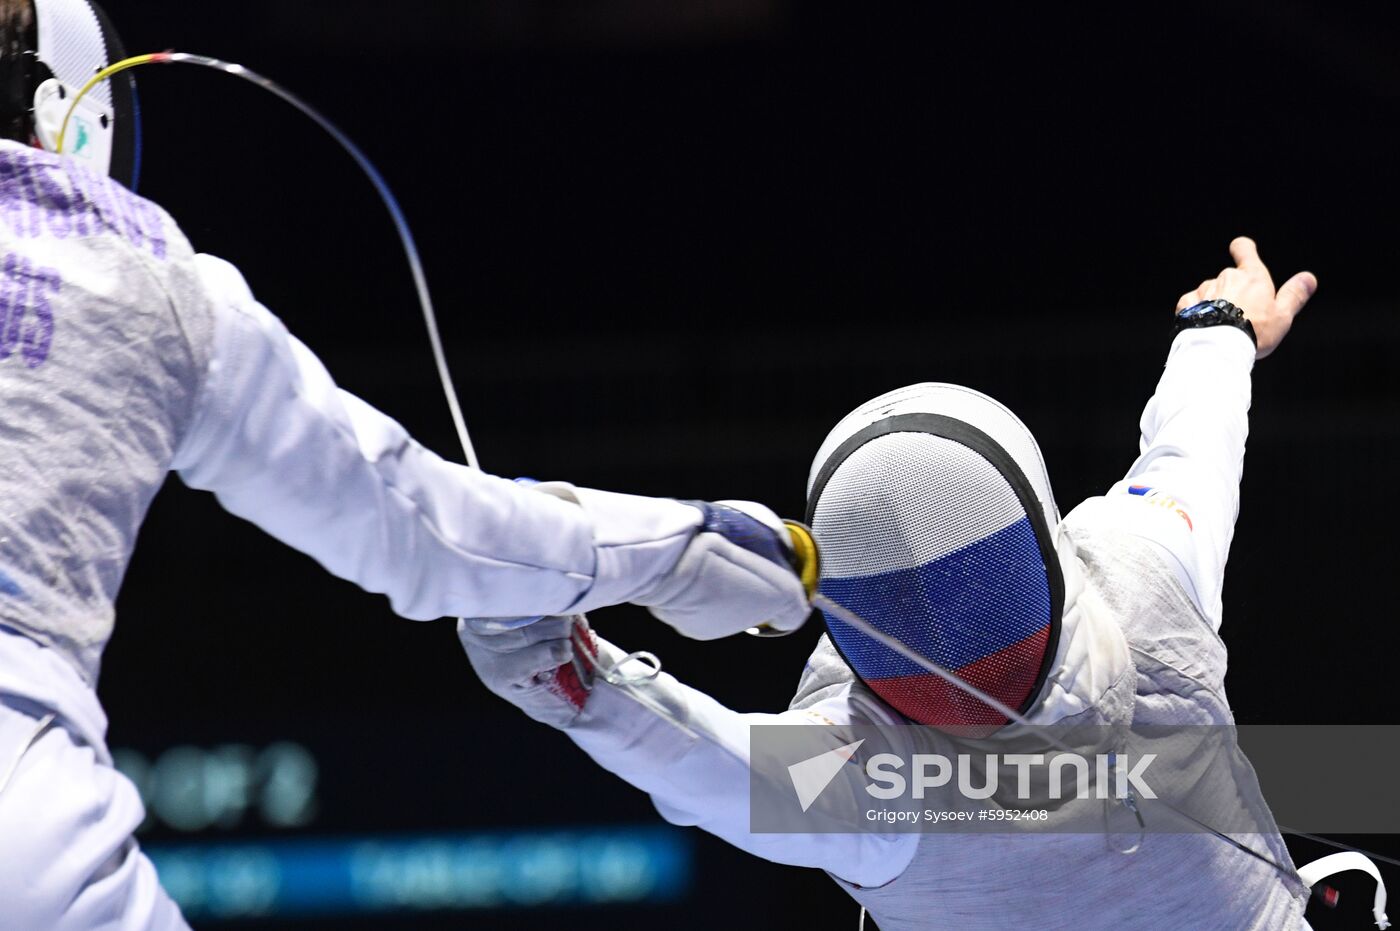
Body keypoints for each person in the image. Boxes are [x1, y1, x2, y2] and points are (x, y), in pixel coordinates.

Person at [0, 1, 811, 927]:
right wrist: (611, 672)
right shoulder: (968, 776)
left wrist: (606, 684)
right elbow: (829, 803)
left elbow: (833, 808)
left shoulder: (964, 776)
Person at [462, 237, 1328, 929]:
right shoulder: (1141, 565)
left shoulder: (864, 777)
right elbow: (1190, 444)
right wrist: (1218, 326)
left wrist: (566, 674)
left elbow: (706, 763)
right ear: (1037, 531)